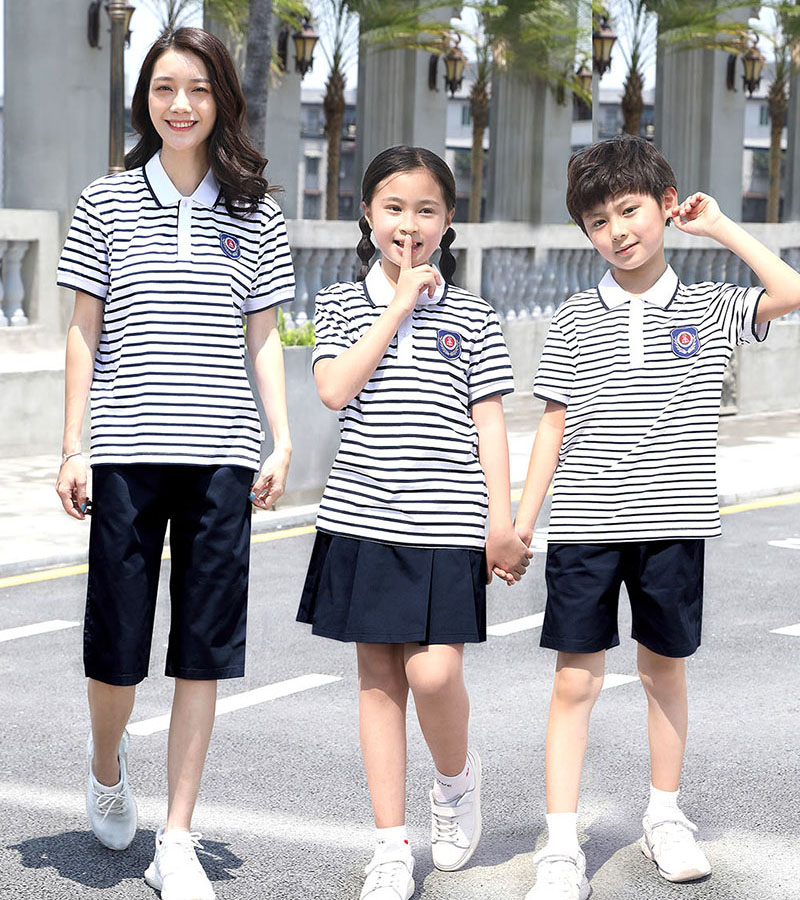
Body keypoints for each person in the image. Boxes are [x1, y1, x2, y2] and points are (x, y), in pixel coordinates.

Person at [515, 134, 800, 900]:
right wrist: (520, 521)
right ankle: (562, 844)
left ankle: (665, 815)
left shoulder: (710, 306)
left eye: (630, 210)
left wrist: (721, 227)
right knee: (574, 683)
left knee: (661, 671)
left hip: (673, 525)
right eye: (598, 221)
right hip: (585, 528)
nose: (617, 231)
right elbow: (553, 427)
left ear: (666, 206)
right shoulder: (573, 318)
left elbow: (790, 289)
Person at [55, 27, 294, 900]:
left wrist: (281, 438)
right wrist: (73, 445)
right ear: (144, 100)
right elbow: (83, 333)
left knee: (203, 651)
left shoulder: (257, 214)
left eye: (197, 88)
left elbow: (263, 336)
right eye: (163, 88)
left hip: (222, 456)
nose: (180, 104)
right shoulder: (106, 201)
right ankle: (106, 764)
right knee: (116, 647)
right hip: (124, 454)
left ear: (222, 99)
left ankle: (178, 837)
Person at [296, 145, 532, 899]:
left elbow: (490, 425)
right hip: (362, 518)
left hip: (447, 524)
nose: (410, 223)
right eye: (394, 207)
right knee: (377, 681)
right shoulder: (340, 304)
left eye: (426, 209)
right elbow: (334, 388)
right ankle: (391, 846)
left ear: (448, 219)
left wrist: (503, 520)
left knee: (434, 672)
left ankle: (456, 781)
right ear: (368, 214)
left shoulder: (473, 314)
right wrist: (396, 304)